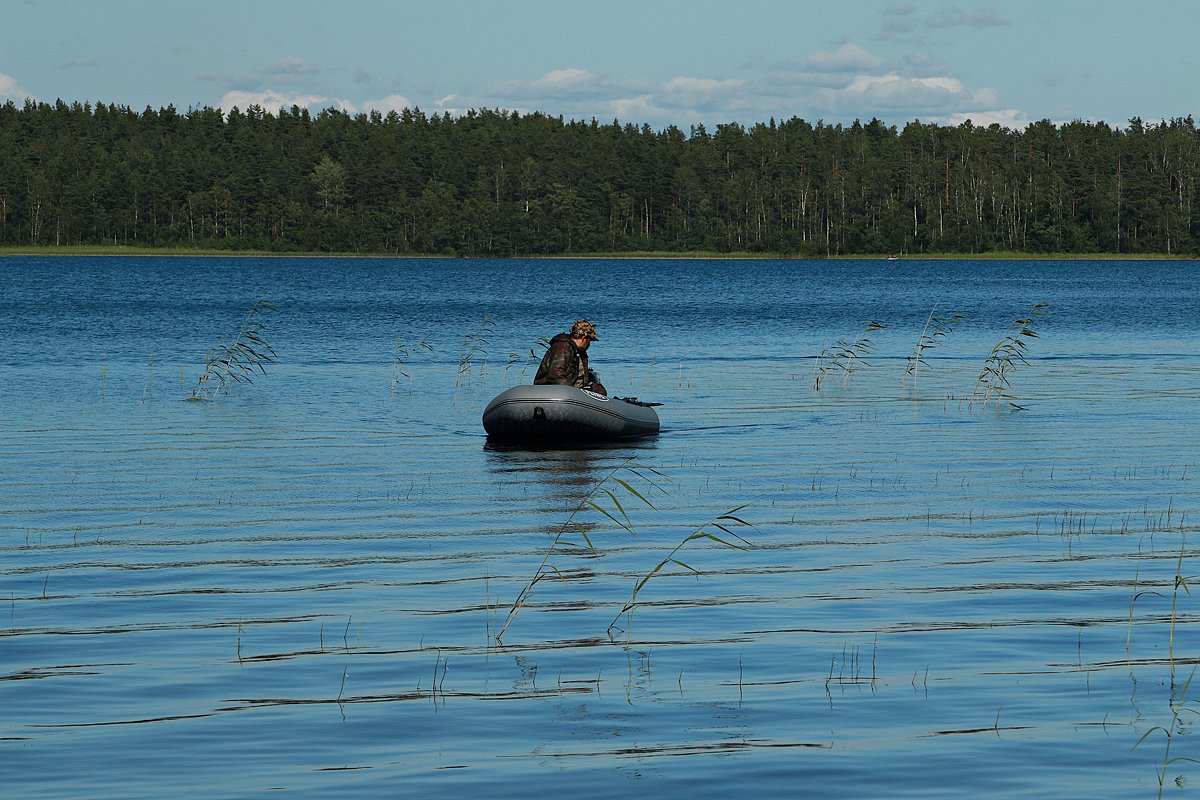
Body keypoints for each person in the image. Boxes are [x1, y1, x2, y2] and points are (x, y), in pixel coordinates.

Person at [533, 319, 606, 395]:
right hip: (552, 393)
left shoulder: (579, 353)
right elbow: (556, 374)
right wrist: (573, 392)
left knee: (599, 390)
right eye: (589, 341)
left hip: (571, 394)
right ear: (584, 338)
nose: (589, 344)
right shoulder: (562, 347)